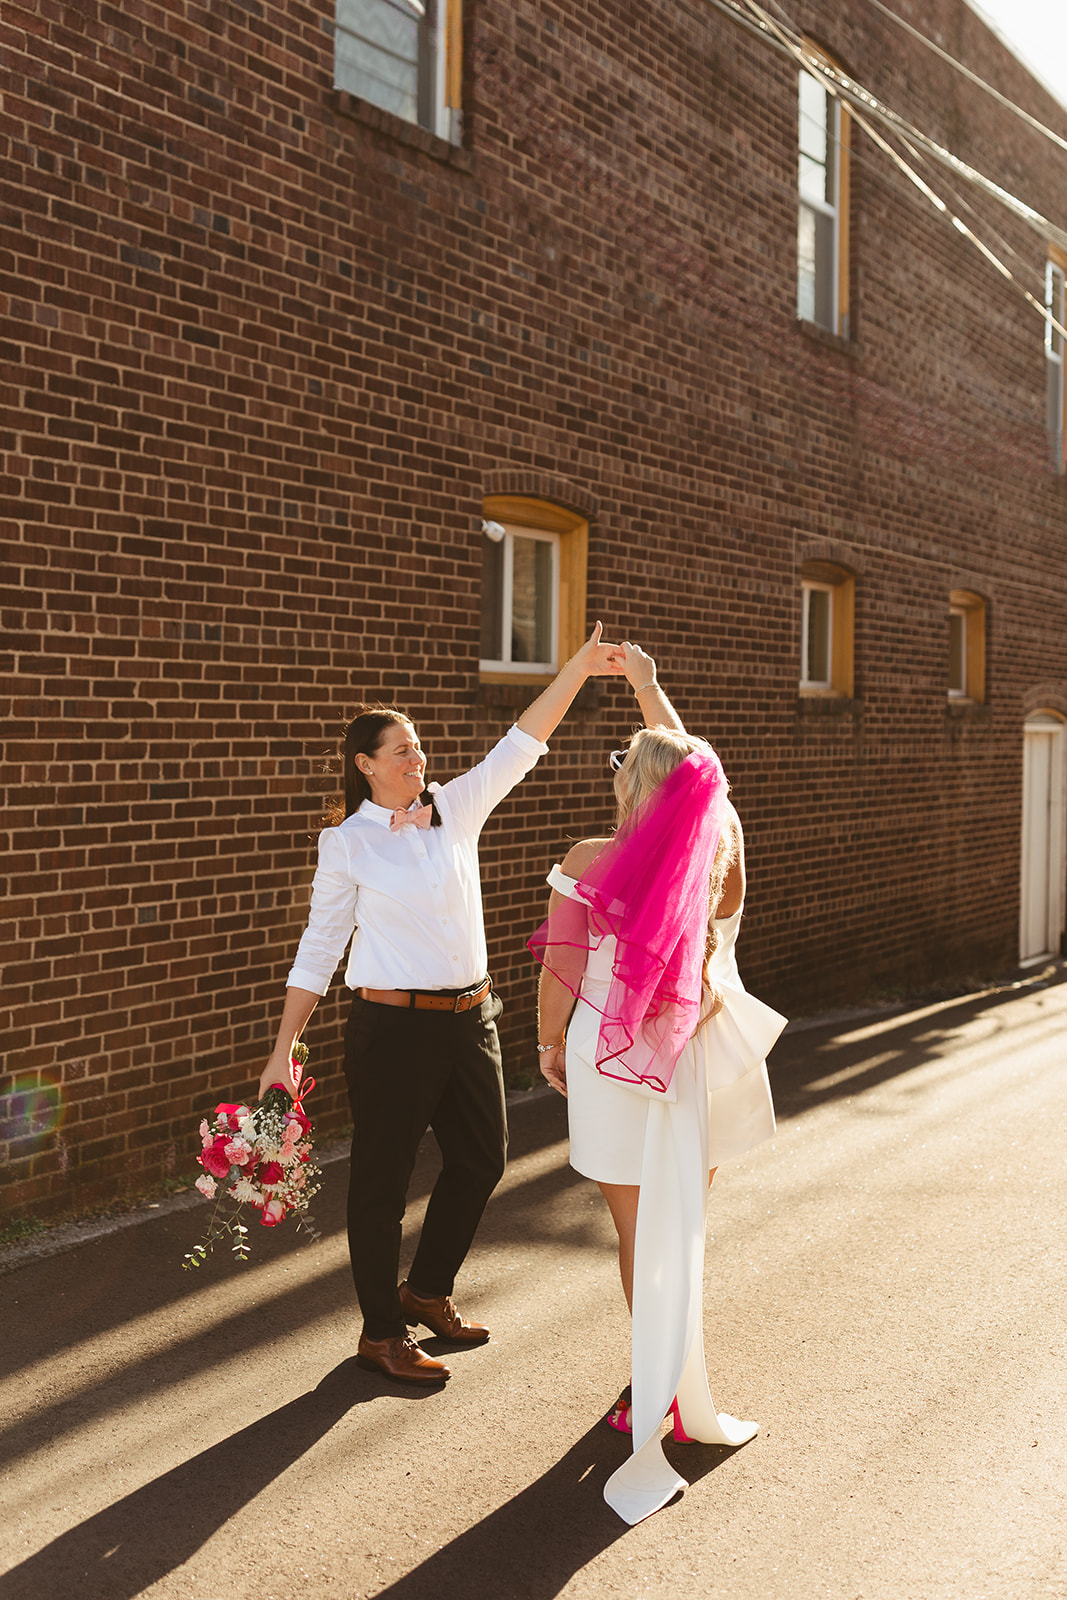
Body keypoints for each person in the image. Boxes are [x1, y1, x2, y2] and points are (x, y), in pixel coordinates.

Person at [258, 624, 625, 1386]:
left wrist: (579, 670)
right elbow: (320, 945)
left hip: (471, 1021)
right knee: (382, 1183)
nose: (417, 757)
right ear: (366, 765)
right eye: (401, 750)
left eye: (418, 746)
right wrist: (283, 1048)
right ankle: (380, 1332)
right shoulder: (348, 845)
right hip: (390, 1030)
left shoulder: (454, 808)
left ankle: (425, 1289)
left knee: (481, 1160)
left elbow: (522, 741)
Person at [529, 644, 785, 1524]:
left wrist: (546, 1044)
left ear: (629, 787)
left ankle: (655, 1391)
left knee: (638, 1230)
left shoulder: (593, 856)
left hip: (614, 1064)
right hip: (700, 1062)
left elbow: (561, 963)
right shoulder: (720, 855)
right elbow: (697, 777)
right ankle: (670, 1379)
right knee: (682, 1222)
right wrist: (645, 687)